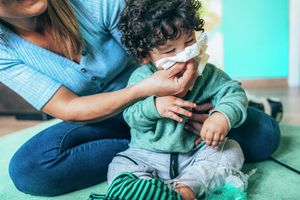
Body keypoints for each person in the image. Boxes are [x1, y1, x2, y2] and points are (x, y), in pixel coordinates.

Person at [0, 0, 280, 197]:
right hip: (121, 116)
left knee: (264, 135)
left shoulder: (92, 4)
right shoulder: (5, 49)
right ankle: (150, 156)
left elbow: (165, 44)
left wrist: (219, 115)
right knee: (30, 170)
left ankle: (211, 131)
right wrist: (146, 98)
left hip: (184, 102)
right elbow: (68, 106)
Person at [106, 0, 246, 199]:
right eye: (170, 51)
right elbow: (131, 115)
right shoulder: (141, 78)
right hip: (147, 156)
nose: (184, 55)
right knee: (118, 166)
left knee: (231, 151)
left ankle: (187, 189)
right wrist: (154, 106)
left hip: (195, 154)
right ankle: (148, 190)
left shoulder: (206, 73)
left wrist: (220, 117)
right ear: (146, 55)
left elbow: (233, 92)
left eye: (189, 42)